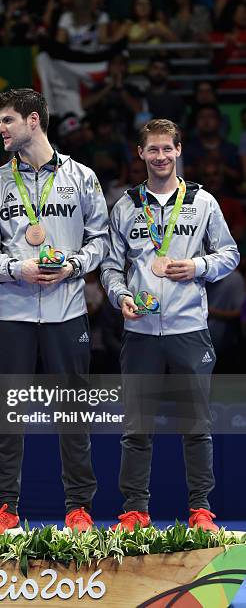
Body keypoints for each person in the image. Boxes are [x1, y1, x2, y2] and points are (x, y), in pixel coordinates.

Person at [0, 88, 108, 533]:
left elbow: (100, 241)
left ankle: (79, 508)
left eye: (7, 120)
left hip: (66, 311)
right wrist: (16, 269)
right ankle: (4, 509)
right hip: (11, 313)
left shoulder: (82, 177)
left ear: (33, 121)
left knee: (73, 411)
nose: (0, 129)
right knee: (9, 412)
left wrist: (71, 266)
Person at [101, 118, 239, 532]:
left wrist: (196, 266)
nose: (160, 156)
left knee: (197, 427)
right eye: (152, 150)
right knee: (135, 429)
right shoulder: (125, 206)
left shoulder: (203, 203)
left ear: (179, 151)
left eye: (167, 149)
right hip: (141, 334)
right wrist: (121, 297)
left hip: (190, 331)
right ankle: (135, 511)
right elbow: (110, 267)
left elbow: (229, 255)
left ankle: (200, 509)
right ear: (140, 154)